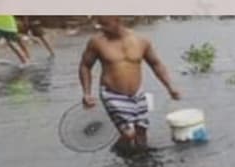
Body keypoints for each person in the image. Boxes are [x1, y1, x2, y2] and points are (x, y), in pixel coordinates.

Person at [78, 16, 182, 151]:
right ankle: (117, 151)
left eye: (105, 24)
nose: (101, 28)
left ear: (118, 21)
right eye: (100, 24)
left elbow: (156, 65)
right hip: (112, 94)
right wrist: (86, 93)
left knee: (142, 135)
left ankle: (138, 163)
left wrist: (170, 87)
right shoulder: (96, 42)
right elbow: (85, 66)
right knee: (129, 134)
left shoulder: (141, 41)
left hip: (137, 93)